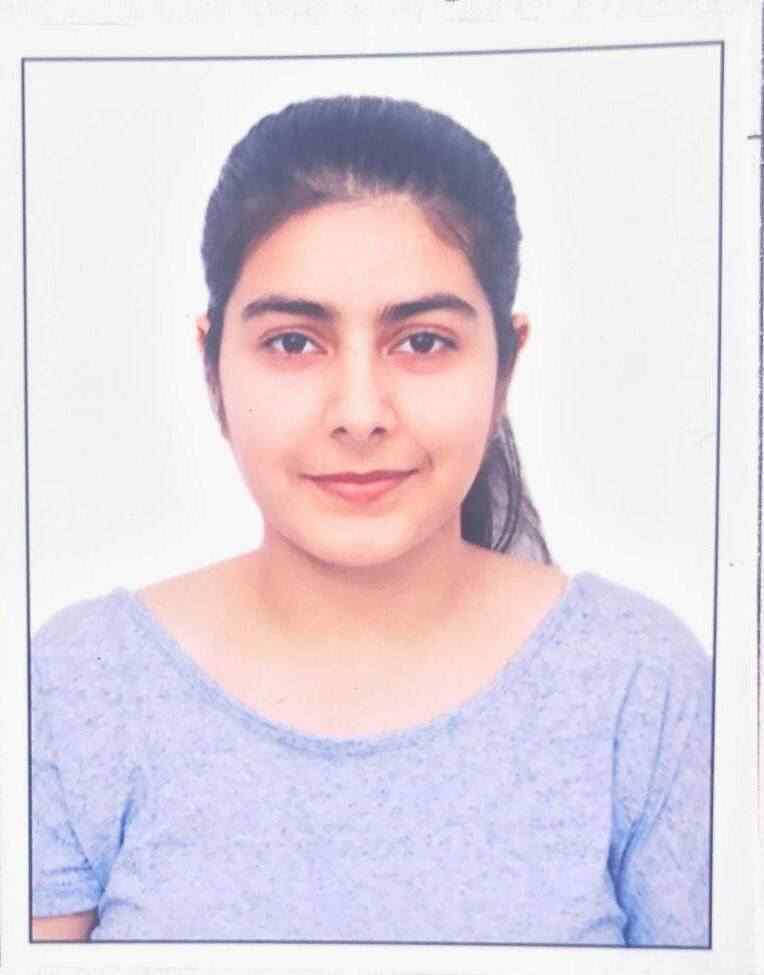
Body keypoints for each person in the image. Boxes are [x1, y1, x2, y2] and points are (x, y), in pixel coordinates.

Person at [31, 94, 712, 946]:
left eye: (422, 341)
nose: (360, 413)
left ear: (505, 368)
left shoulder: (641, 685)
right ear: (212, 365)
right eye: (293, 342)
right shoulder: (77, 686)